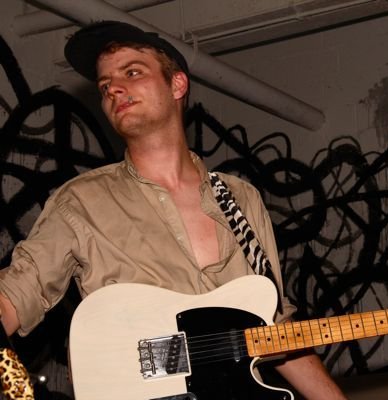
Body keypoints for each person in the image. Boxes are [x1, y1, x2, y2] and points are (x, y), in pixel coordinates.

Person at [0, 20, 346, 399]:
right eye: (104, 85)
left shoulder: (240, 199)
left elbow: (273, 328)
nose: (113, 88)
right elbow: (14, 296)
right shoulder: (81, 202)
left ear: (177, 84)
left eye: (132, 72)